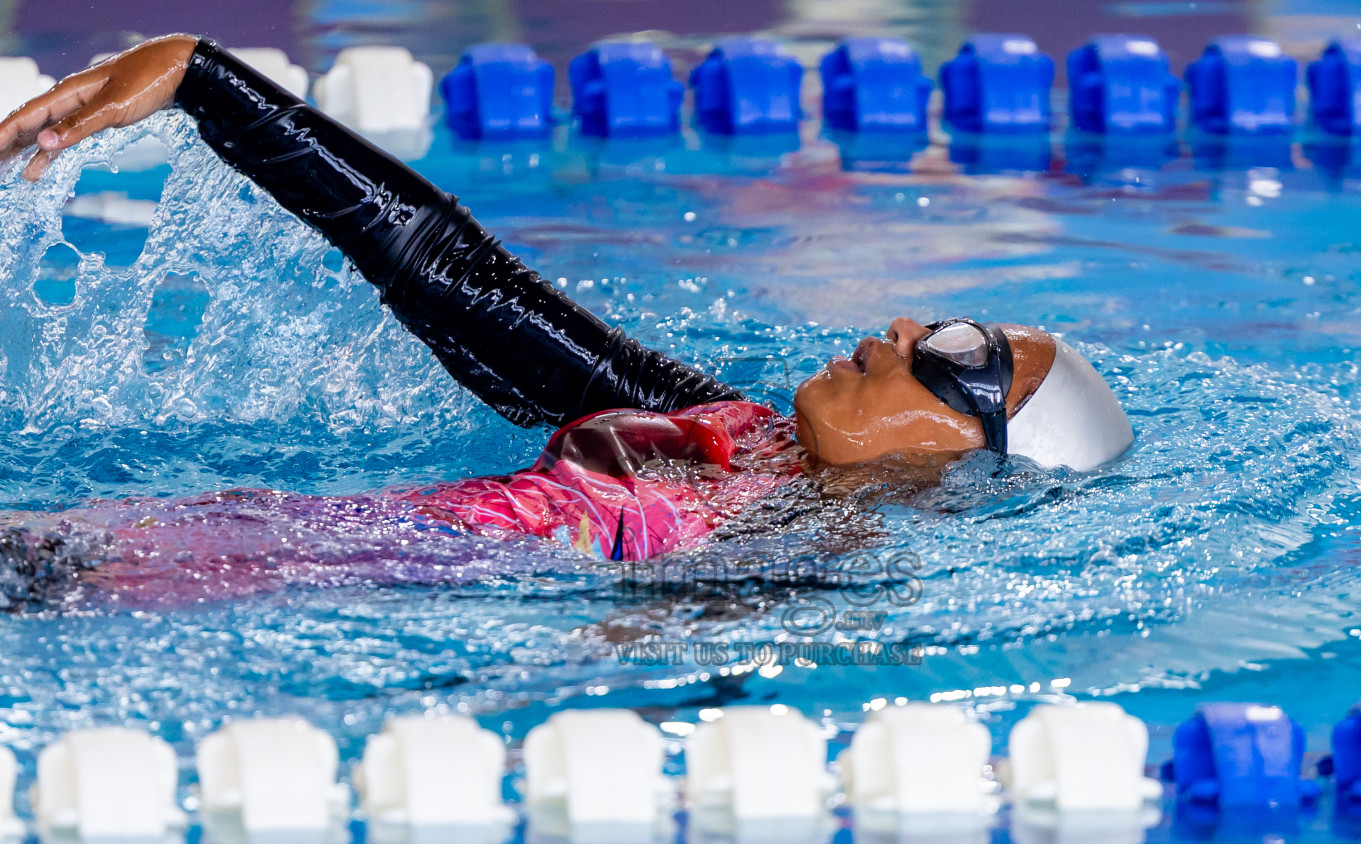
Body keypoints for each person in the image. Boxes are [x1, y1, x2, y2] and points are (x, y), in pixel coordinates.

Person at [0, 37, 1133, 607]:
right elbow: (453, 278)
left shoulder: (801, 566)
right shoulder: (721, 429)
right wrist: (207, 81)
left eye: (954, 353)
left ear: (970, 452)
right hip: (190, 550)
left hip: (227, 593)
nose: (901, 326)